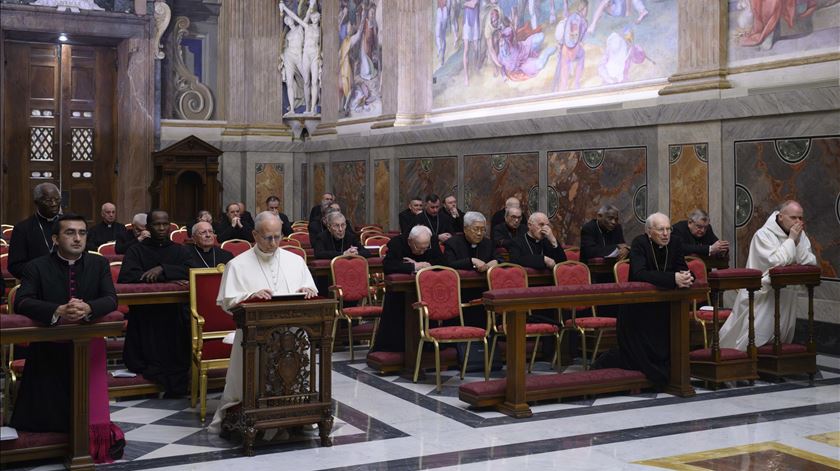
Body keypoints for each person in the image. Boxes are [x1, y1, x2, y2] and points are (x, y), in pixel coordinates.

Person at [11, 213, 124, 463]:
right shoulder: (36, 266)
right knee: (44, 410)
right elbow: (22, 301)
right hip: (48, 348)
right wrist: (57, 310)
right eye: (70, 233)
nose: (77, 238)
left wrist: (89, 308)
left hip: (87, 346)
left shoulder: (99, 264)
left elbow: (111, 298)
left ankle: (86, 436)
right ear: (55, 238)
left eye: (82, 233)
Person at [208, 211, 318, 434]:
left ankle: (294, 412)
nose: (274, 243)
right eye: (268, 237)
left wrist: (308, 290)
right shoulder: (237, 265)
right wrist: (251, 296)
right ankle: (256, 414)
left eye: (278, 237)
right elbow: (228, 302)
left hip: (292, 338)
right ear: (255, 235)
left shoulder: (295, 260)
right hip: (254, 339)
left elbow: (312, 288)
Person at [594, 213, 693, 385]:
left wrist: (687, 276)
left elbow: (682, 267)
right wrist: (672, 279)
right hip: (638, 311)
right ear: (649, 232)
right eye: (661, 229)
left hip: (663, 309)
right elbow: (639, 273)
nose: (666, 234)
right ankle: (607, 360)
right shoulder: (640, 243)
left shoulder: (675, 242)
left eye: (668, 229)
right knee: (637, 359)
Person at [719, 201, 817, 351]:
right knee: (756, 333)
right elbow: (775, 262)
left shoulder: (800, 235)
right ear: (781, 216)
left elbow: (810, 261)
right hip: (762, 297)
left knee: (781, 333)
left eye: (800, 218)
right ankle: (744, 356)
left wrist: (796, 242)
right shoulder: (763, 235)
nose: (798, 222)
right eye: (794, 218)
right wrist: (791, 241)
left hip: (786, 295)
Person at [117, 209, 191, 395]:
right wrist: (169, 279)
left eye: (165, 224)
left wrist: (162, 269)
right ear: (148, 227)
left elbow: (190, 269)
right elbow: (127, 277)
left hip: (172, 315)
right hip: (146, 315)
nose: (161, 228)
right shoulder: (136, 250)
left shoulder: (179, 250)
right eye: (157, 224)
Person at [373, 225, 445, 353]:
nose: (422, 252)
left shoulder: (431, 242)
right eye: (419, 248)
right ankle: (398, 350)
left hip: (426, 293)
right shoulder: (397, 243)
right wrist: (414, 266)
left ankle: (427, 350)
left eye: (425, 248)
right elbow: (388, 266)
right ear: (410, 241)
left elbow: (442, 263)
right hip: (400, 295)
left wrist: (427, 265)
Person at [7, 182, 62, 279]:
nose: (54, 204)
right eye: (48, 200)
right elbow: (15, 266)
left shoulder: (70, 225)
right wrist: (41, 273)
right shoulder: (22, 229)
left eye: (57, 199)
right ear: (37, 202)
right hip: (36, 284)